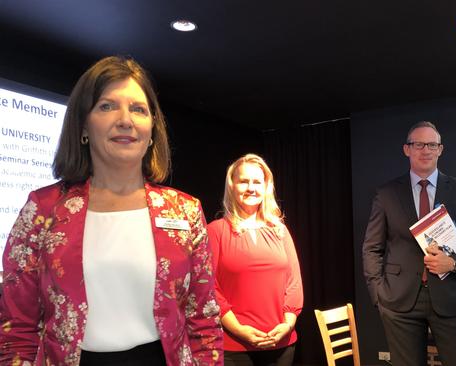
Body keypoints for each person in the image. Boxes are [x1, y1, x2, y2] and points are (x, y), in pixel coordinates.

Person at [0, 56, 223, 365]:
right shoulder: (42, 211)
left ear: (152, 128)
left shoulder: (185, 210)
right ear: (83, 126)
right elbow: (16, 329)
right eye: (107, 106)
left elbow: (204, 322)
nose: (125, 120)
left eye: (138, 109)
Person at [362, 121, 456, 366]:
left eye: (432, 144)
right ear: (406, 149)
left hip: (451, 296)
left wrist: (453, 263)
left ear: (440, 150)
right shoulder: (386, 193)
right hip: (399, 301)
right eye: (418, 144)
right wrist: (378, 294)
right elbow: (371, 248)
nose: (425, 150)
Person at [208, 154, 303, 366]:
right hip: (234, 345)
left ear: (266, 187)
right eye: (243, 181)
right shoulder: (215, 231)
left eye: (257, 182)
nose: (251, 188)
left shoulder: (280, 231)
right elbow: (209, 289)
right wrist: (239, 330)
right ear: (232, 186)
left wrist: (287, 325)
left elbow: (294, 283)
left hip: (282, 342)